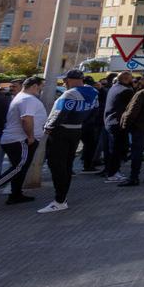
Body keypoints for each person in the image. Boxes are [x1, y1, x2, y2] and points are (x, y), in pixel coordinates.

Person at [0, 76, 46, 210]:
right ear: (35, 86)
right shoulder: (27, 99)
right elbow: (26, 119)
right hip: (20, 139)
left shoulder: (21, 97)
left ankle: (16, 194)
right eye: (41, 87)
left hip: (17, 139)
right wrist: (30, 137)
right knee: (18, 167)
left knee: (20, 168)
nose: (41, 90)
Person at [40, 69, 100, 213]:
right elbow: (95, 111)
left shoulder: (70, 94)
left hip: (61, 131)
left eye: (66, 80)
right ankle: (62, 197)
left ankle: (59, 200)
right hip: (76, 130)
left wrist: (49, 127)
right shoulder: (92, 92)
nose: (64, 83)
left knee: (56, 165)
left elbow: (60, 112)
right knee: (67, 165)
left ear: (72, 80)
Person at [102, 72, 135, 183]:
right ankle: (113, 173)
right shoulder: (127, 91)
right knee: (116, 150)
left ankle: (112, 171)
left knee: (112, 149)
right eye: (131, 78)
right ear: (127, 79)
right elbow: (131, 108)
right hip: (118, 123)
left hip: (109, 121)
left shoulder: (114, 87)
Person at [79, 75, 103, 172]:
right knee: (90, 145)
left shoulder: (76, 91)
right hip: (90, 123)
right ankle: (88, 165)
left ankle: (71, 167)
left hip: (78, 122)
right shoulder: (94, 92)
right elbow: (96, 107)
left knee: (77, 146)